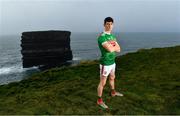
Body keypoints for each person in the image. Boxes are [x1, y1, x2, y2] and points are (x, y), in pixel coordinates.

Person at [97, 17, 123, 109]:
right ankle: (99, 100)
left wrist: (113, 47)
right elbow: (109, 49)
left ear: (113, 25)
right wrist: (113, 46)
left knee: (112, 77)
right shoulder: (102, 37)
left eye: (111, 24)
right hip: (105, 63)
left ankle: (113, 92)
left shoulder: (112, 36)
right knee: (102, 82)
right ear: (104, 25)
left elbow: (119, 49)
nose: (109, 25)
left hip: (112, 62)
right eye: (107, 24)